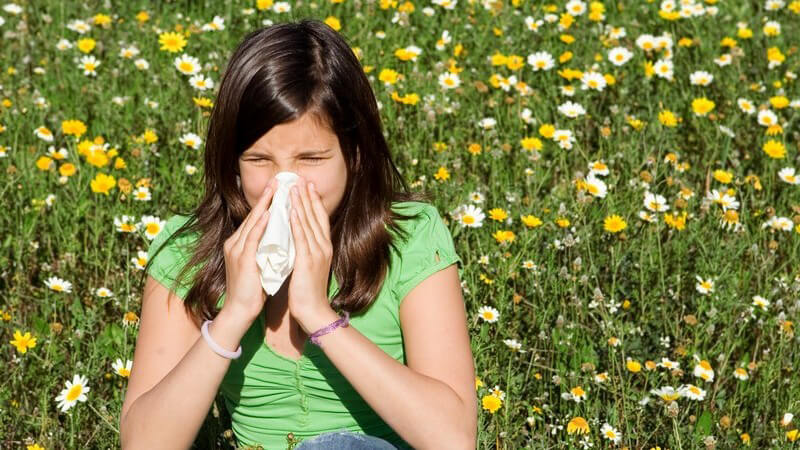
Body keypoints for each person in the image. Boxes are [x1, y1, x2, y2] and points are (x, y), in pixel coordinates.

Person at [119, 19, 477, 450]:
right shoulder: (187, 250)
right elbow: (144, 443)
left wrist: (319, 316)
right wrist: (233, 314)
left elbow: (453, 439)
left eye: (311, 158)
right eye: (259, 160)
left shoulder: (407, 235)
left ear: (355, 153)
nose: (284, 184)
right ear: (233, 161)